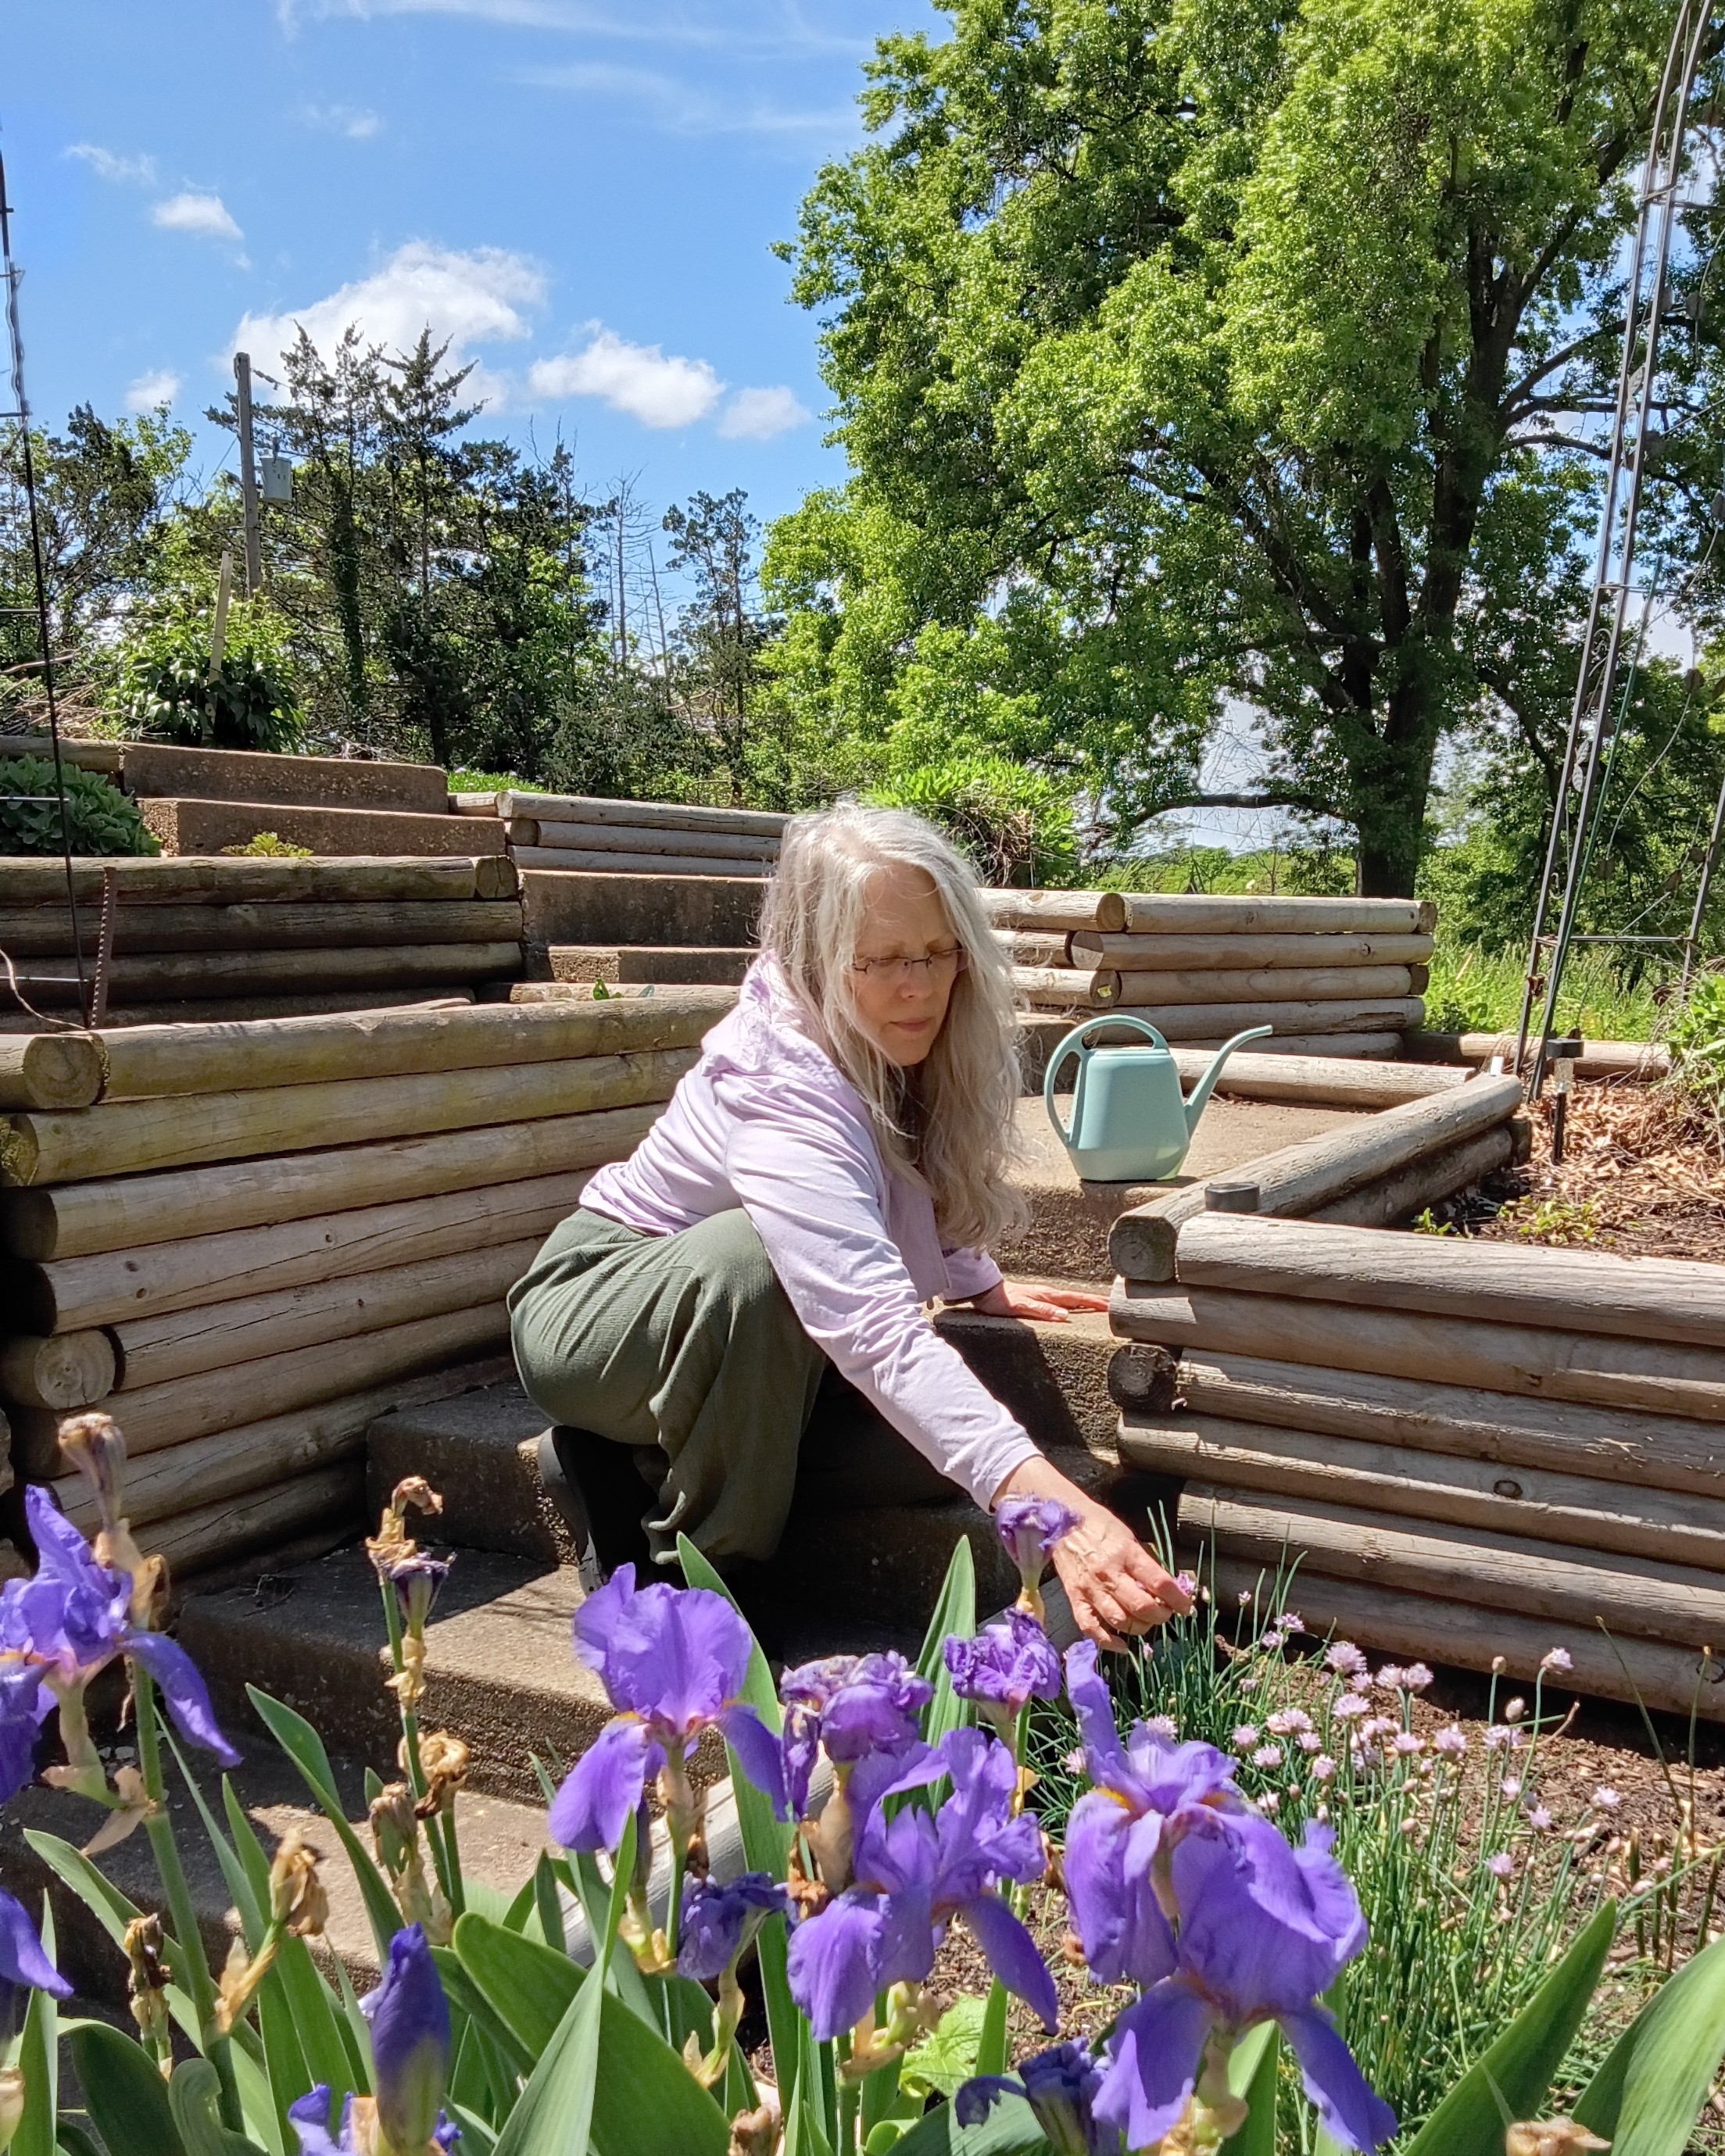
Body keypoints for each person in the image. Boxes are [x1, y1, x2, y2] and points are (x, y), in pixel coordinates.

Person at [508, 803, 1190, 1650]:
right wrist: (1060, 1517)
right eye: (880, 959)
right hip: (596, 1311)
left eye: (937, 951)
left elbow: (910, 1172)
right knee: (753, 1263)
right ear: (814, 957)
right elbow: (868, 1327)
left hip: (743, 1339)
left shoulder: (898, 1035)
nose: (918, 985)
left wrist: (975, 1278)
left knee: (918, 1453)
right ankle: (691, 1582)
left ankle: (617, 1465)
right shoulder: (777, 1083)